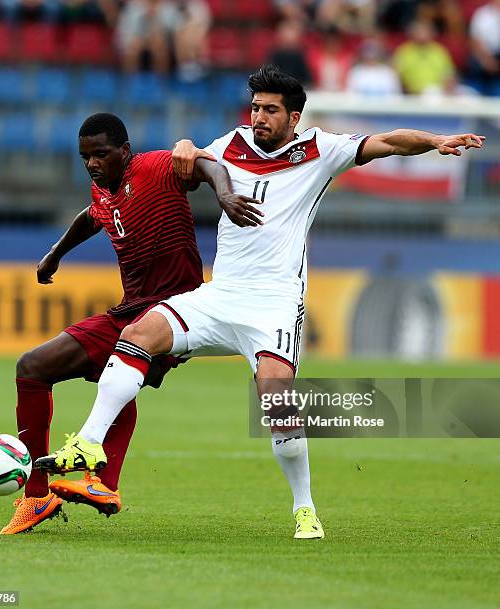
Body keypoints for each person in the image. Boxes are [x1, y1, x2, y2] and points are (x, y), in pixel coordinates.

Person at [38, 66, 485, 540]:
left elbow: (390, 142)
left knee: (277, 407)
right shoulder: (231, 143)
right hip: (221, 294)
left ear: (294, 117)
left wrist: (434, 140)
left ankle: (305, 508)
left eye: (270, 110)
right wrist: (187, 146)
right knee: (137, 334)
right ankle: (88, 444)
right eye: (255, 108)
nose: (259, 118)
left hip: (274, 304)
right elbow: (188, 159)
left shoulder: (320, 150)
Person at [0, 112, 258, 535]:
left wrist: (225, 196)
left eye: (100, 154)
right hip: (129, 311)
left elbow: (209, 165)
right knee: (32, 368)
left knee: (123, 370)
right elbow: (92, 215)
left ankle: (102, 483)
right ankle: (37, 496)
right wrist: (56, 252)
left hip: (176, 314)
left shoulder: (155, 168)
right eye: (85, 156)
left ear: (124, 151)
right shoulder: (103, 187)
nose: (92, 163)